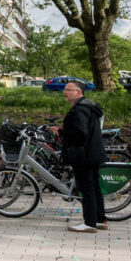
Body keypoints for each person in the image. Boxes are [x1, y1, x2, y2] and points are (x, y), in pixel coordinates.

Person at [55, 81, 108, 233]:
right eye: (64, 90)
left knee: (87, 188)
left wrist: (61, 132)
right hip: (94, 152)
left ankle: (90, 223)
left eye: (68, 90)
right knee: (94, 187)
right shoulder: (88, 106)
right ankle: (100, 220)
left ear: (78, 92)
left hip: (83, 155)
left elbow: (80, 133)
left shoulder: (79, 110)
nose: (64, 92)